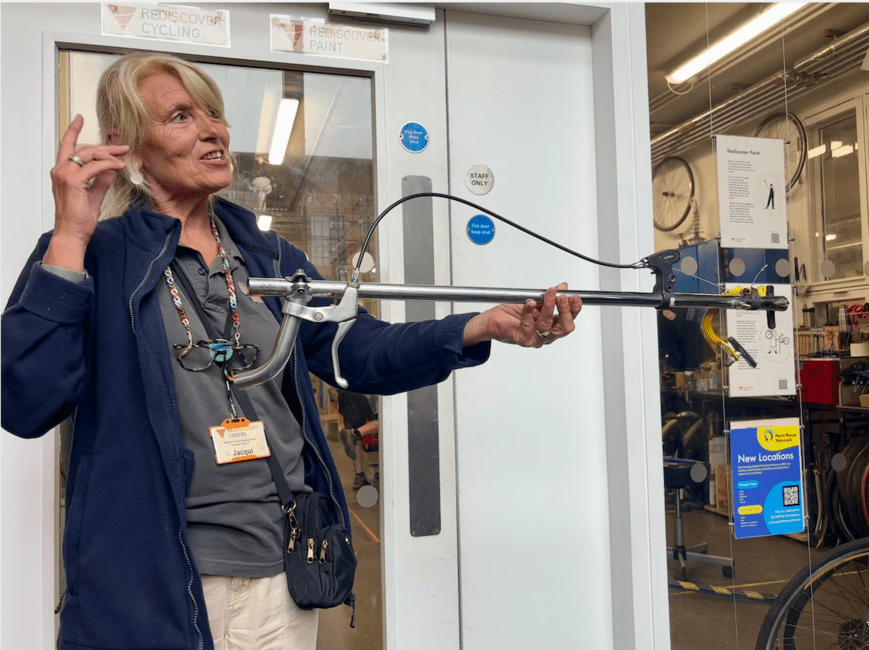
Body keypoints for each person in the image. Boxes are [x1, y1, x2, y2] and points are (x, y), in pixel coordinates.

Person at [1, 52, 583, 650]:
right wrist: (71, 233)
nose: (213, 130)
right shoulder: (93, 254)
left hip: (280, 577)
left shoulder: (268, 257)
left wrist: (480, 326)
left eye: (214, 114)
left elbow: (355, 350)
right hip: (147, 587)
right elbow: (26, 401)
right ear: (127, 145)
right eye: (180, 116)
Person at [336, 390, 379, 489]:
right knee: (381, 424)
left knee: (356, 441)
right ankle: (355, 433)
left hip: (344, 395)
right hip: (358, 394)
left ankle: (359, 476)